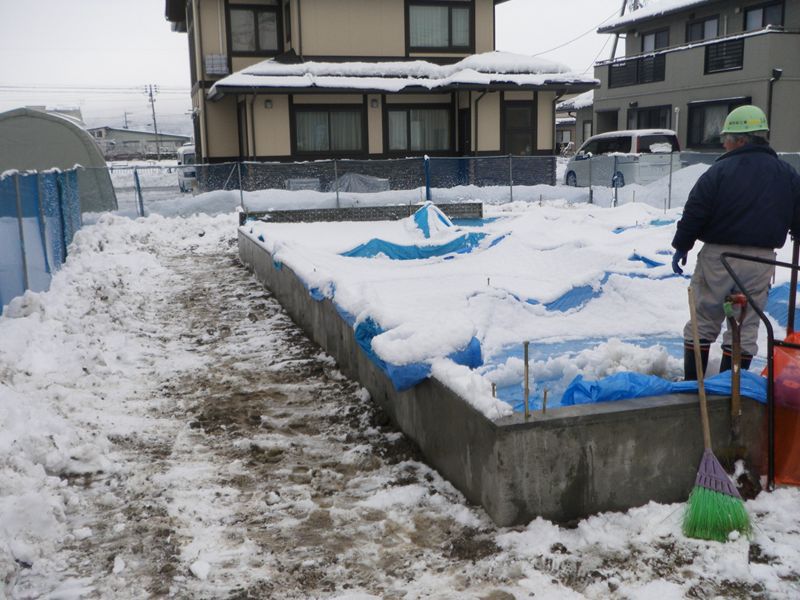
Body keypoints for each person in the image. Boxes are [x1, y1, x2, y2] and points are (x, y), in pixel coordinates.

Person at [672, 105, 800, 380]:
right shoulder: (787, 174)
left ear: (741, 139)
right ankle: (733, 395)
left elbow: (696, 210)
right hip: (761, 261)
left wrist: (682, 244)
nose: (724, 144)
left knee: (704, 319)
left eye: (726, 138)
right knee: (745, 324)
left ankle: (696, 389)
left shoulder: (719, 172)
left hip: (719, 258)